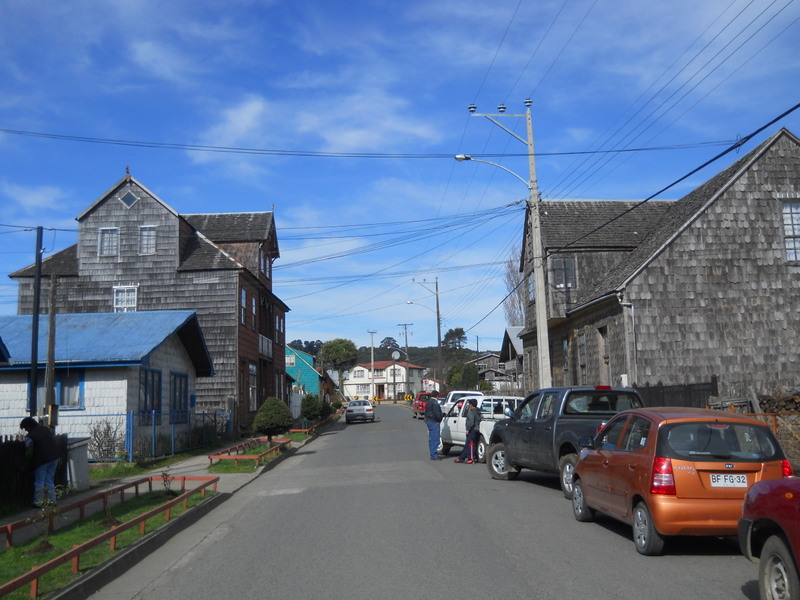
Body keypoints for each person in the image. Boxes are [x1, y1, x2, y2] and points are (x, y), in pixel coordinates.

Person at [20, 417, 61, 507]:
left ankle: (39, 502)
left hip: (42, 459)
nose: (26, 430)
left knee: (40, 481)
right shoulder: (45, 429)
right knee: (49, 479)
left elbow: (26, 447)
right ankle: (52, 500)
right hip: (54, 457)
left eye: (25, 428)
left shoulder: (31, 436)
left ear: (29, 426)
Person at [455, 398, 482, 464]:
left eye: (469, 404)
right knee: (467, 444)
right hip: (476, 429)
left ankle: (472, 458)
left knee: (471, 444)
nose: (469, 405)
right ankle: (462, 457)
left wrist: (468, 429)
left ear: (472, 405)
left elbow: (471, 422)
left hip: (472, 430)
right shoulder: (478, 411)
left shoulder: (472, 412)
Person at [424, 395, 444, 460]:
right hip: (434, 422)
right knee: (435, 439)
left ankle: (432, 453)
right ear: (437, 396)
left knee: (431, 438)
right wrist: (439, 419)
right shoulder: (435, 403)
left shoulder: (428, 402)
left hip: (429, 421)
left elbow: (426, 412)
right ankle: (434, 455)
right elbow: (437, 413)